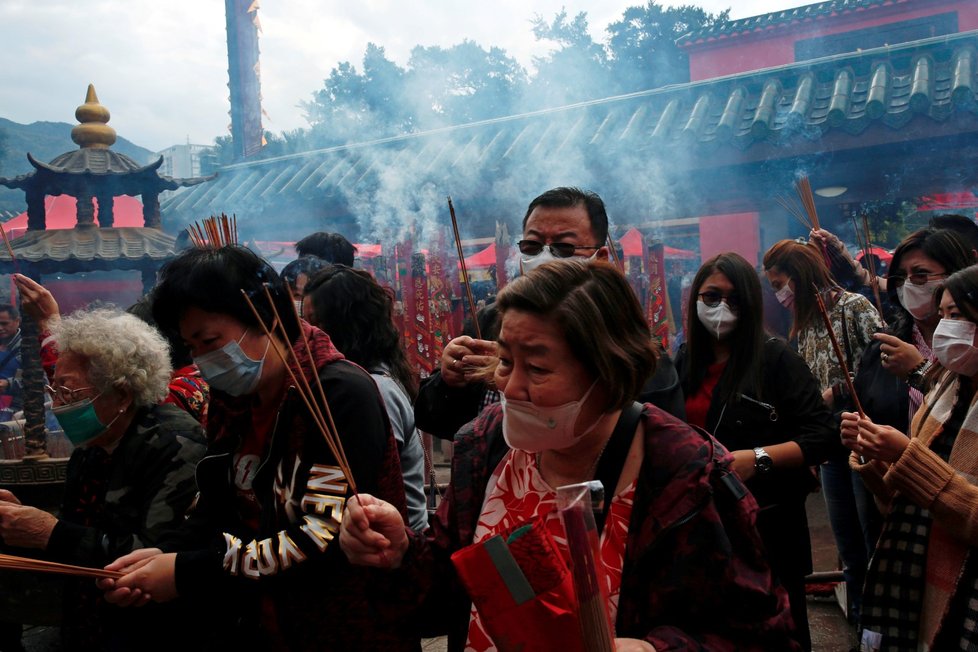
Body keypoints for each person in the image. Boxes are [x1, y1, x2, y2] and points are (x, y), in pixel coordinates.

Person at [341, 259, 799, 651]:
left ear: (609, 371)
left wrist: (655, 648)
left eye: (537, 367)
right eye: (505, 361)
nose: (510, 385)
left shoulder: (685, 472)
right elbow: (449, 590)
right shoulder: (484, 446)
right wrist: (401, 551)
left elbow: (762, 632)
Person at [99, 245, 416, 651]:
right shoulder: (233, 398)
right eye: (191, 347)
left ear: (266, 317)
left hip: (343, 624)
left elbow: (320, 537)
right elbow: (217, 503)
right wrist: (161, 556)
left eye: (210, 340)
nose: (202, 360)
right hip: (259, 621)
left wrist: (185, 572)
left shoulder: (336, 394)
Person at [0, 307, 207, 651]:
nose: (60, 405)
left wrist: (49, 532)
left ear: (123, 395)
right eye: (55, 392)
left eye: (69, 392)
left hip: (151, 633)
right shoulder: (91, 446)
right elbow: (77, 531)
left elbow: (153, 556)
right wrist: (22, 524)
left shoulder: (174, 443)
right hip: (89, 623)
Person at [414, 186, 685, 441]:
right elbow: (438, 422)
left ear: (600, 257)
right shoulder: (491, 321)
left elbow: (660, 440)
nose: (545, 258)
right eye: (532, 247)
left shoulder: (624, 340)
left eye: (564, 248)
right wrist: (449, 383)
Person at [676, 252, 836, 651]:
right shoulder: (681, 362)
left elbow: (823, 435)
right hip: (702, 527)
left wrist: (756, 459)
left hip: (768, 526)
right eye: (711, 297)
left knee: (779, 633)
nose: (721, 308)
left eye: (733, 299)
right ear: (695, 298)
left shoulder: (776, 359)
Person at [841, 264, 978, 651]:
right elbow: (899, 508)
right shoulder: (946, 389)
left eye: (961, 315)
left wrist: (907, 455)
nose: (948, 326)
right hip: (919, 576)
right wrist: (876, 456)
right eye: (946, 314)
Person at [763, 238, 883, 624]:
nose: (779, 292)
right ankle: (861, 624)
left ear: (800, 275)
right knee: (848, 542)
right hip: (831, 445)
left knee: (873, 538)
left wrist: (838, 391)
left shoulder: (854, 308)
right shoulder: (805, 324)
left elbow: (884, 368)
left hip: (865, 439)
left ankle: (880, 626)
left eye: (780, 282)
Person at [302, 264, 428, 533]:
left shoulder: (373, 388)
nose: (309, 335)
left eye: (317, 324)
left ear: (347, 324)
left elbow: (365, 487)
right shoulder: (357, 381)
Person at [0, 303, 22, 421]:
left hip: (16, 413)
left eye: (4, 323)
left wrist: (8, 384)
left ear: (17, 321)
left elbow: (42, 382)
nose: (0, 328)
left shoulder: (28, 348)